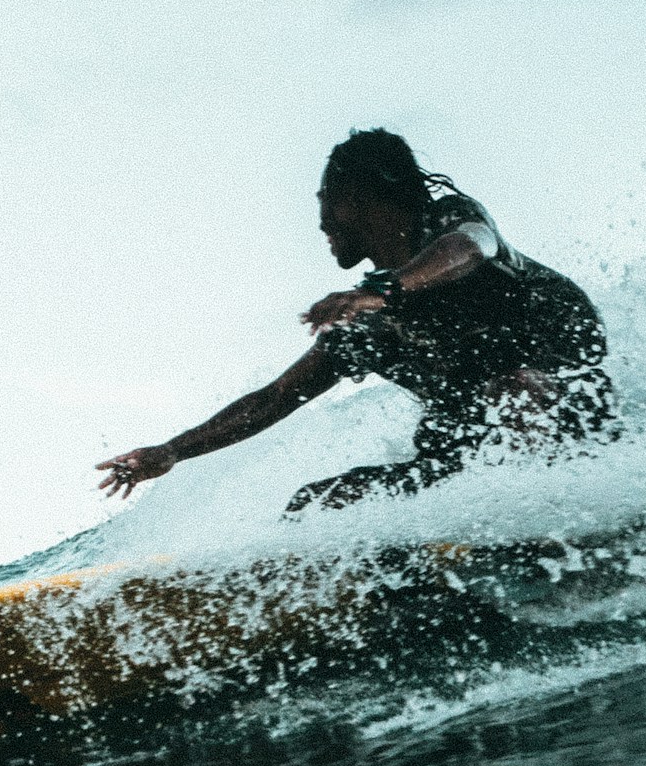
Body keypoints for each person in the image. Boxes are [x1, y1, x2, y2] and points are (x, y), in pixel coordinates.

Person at [97, 128, 614, 513]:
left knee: (514, 389)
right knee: (320, 502)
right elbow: (275, 398)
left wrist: (384, 289)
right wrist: (170, 451)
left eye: (327, 201)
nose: (321, 220)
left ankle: (565, 514)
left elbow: (468, 248)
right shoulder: (369, 326)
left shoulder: (451, 224)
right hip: (474, 448)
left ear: (361, 200)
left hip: (567, 404)